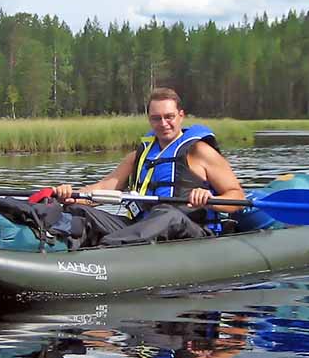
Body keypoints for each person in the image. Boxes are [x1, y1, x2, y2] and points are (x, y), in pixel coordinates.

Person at [54, 87, 246, 247]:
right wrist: (72, 196)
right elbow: (104, 188)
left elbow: (237, 196)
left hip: (191, 232)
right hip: (142, 228)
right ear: (149, 119)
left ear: (181, 115)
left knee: (167, 214)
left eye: (169, 116)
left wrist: (210, 199)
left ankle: (104, 251)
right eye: (156, 118)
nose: (163, 123)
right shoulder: (138, 156)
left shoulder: (200, 151)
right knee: (80, 211)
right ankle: (57, 246)